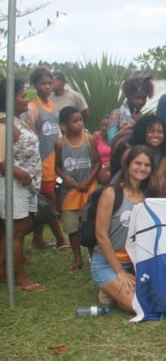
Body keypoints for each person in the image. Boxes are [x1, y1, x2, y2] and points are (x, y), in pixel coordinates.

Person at [91, 145, 156, 313]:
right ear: (127, 165)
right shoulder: (111, 193)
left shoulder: (148, 196)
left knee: (155, 297)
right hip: (107, 263)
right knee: (138, 305)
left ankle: (113, 292)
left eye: (147, 165)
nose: (142, 168)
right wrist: (119, 272)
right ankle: (110, 285)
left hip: (134, 263)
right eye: (137, 163)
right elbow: (101, 235)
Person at [0, 77, 45, 292]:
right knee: (16, 231)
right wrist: (18, 172)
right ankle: (20, 278)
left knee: (22, 226)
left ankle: (3, 267)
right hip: (13, 185)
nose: (26, 100)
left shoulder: (16, 119)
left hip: (26, 185)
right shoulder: (3, 122)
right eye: (22, 96)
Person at [22, 67, 69, 250]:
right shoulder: (32, 108)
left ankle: (38, 239)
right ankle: (60, 239)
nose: (47, 87)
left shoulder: (52, 106)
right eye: (43, 83)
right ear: (35, 85)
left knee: (46, 200)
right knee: (49, 200)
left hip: (52, 159)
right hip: (39, 161)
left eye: (50, 83)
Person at [54, 106, 100, 272]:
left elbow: (97, 163)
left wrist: (88, 180)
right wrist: (64, 177)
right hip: (70, 193)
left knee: (89, 226)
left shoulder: (89, 139)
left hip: (89, 189)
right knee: (72, 228)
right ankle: (77, 259)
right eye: (75, 121)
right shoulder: (60, 143)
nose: (79, 124)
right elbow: (58, 166)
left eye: (81, 120)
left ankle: (93, 258)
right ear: (64, 125)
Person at [107, 75, 155, 142]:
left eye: (143, 98)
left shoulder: (142, 117)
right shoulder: (116, 114)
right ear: (128, 96)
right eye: (137, 98)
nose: (140, 102)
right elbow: (111, 139)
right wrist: (131, 126)